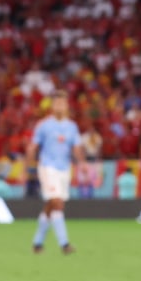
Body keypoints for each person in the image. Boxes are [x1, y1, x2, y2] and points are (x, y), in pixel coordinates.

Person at [27, 91, 83, 255]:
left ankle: (37, 242)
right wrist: (29, 166)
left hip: (64, 168)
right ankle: (64, 244)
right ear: (52, 106)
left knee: (53, 205)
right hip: (47, 167)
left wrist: (83, 163)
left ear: (67, 106)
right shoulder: (43, 125)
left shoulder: (72, 126)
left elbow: (76, 147)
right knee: (57, 202)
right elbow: (33, 146)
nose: (60, 106)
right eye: (57, 103)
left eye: (62, 103)